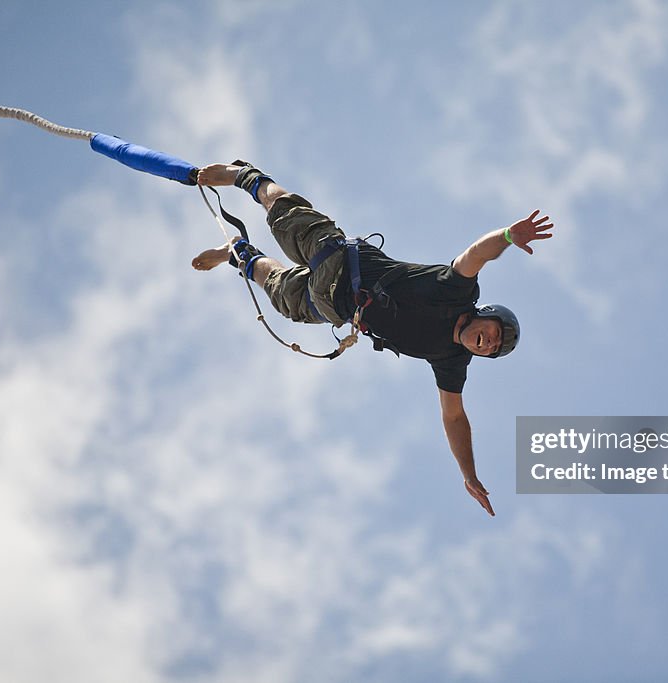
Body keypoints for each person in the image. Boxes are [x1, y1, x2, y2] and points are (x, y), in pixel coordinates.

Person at [191, 162, 554, 516]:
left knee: (282, 298)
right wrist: (508, 236)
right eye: (492, 333)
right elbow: (477, 254)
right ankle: (245, 176)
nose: (488, 342)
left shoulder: (450, 360)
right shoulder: (454, 291)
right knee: (285, 214)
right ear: (482, 314)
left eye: (492, 348)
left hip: (334, 307)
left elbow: (455, 417)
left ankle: (238, 253)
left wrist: (468, 474)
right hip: (340, 262)